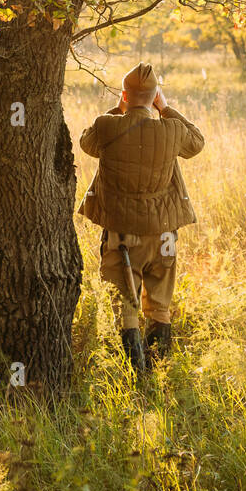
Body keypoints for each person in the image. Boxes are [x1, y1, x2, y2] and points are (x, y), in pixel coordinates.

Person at [77, 62, 204, 373]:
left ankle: (137, 376)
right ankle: (160, 372)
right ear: (155, 96)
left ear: (124, 95)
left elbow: (86, 142)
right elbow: (196, 142)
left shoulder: (108, 126)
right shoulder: (172, 130)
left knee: (126, 306)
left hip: (123, 236)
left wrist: (120, 109)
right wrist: (167, 108)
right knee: (159, 304)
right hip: (164, 236)